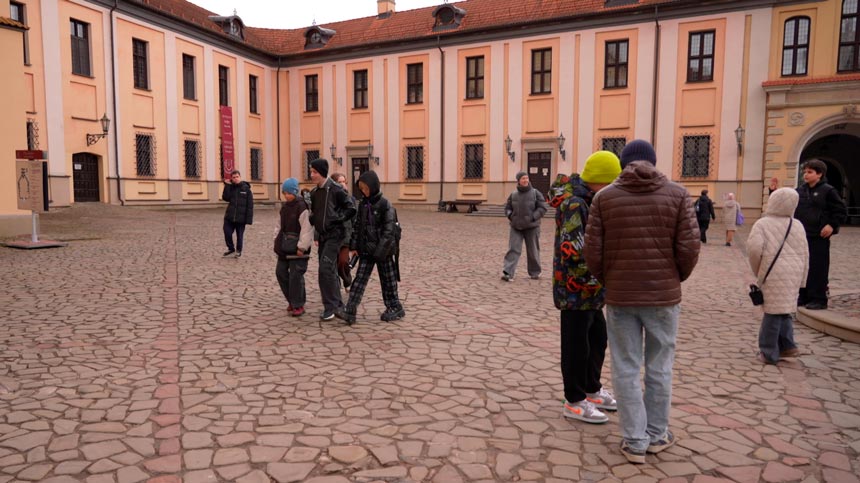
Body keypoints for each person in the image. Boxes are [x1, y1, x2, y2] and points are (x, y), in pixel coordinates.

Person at [584, 139, 700, 464]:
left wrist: (610, 280)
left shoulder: (604, 198)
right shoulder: (679, 194)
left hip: (621, 296)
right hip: (663, 297)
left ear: (623, 164)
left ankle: (635, 440)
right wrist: (673, 278)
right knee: (660, 367)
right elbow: (690, 247)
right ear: (653, 161)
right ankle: (657, 434)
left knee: (625, 367)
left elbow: (592, 251)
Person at [548, 151, 621, 425]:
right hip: (575, 289)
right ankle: (575, 400)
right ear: (601, 181)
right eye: (613, 182)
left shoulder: (590, 200)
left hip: (591, 291)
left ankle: (591, 389)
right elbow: (574, 250)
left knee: (597, 340)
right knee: (576, 347)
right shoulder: (575, 204)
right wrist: (602, 271)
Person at [747, 188, 808, 363]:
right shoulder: (797, 224)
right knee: (784, 309)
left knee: (772, 312)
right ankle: (788, 346)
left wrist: (758, 271)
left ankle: (768, 352)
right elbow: (806, 252)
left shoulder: (762, 224)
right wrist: (803, 277)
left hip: (773, 271)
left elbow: (754, 250)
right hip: (794, 271)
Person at [335, 170, 405, 325]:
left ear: (373, 187)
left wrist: (380, 252)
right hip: (366, 250)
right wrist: (354, 246)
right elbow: (358, 227)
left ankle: (395, 307)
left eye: (366, 188)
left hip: (383, 251)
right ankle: (350, 310)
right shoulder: (363, 205)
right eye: (361, 188)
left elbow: (389, 231)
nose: (364, 191)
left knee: (388, 280)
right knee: (359, 280)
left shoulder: (386, 205)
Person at [794, 159, 847, 310]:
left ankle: (818, 298)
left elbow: (840, 211)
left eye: (810, 172)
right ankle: (803, 296)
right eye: (805, 172)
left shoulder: (828, 191)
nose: (805, 175)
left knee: (818, 268)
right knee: (803, 267)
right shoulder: (800, 191)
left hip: (819, 236)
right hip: (802, 235)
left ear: (819, 174)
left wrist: (832, 225)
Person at [309, 159, 357, 321]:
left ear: (322, 172)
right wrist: (313, 219)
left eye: (315, 172)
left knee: (326, 268)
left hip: (336, 236)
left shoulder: (336, 189)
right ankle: (332, 306)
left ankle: (334, 306)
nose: (312, 175)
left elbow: (351, 208)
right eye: (311, 171)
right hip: (323, 236)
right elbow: (315, 214)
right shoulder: (315, 193)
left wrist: (338, 219)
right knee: (326, 271)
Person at [274, 178, 313, 317]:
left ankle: (298, 304)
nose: (286, 196)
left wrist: (302, 247)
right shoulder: (284, 208)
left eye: (289, 193)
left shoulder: (302, 207)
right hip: (284, 246)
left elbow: (307, 229)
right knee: (280, 272)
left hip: (298, 247)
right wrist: (276, 241)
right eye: (284, 193)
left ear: (295, 192)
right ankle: (291, 300)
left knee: (296, 276)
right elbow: (279, 226)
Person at [501, 171, 549, 281]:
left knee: (533, 250)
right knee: (513, 249)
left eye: (527, 178)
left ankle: (535, 272)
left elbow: (542, 208)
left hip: (532, 227)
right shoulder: (513, 194)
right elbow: (507, 208)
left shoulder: (535, 193)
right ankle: (508, 272)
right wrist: (510, 216)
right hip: (516, 226)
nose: (525, 180)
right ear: (518, 181)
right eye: (523, 178)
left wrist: (533, 217)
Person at [222, 169, 254, 258]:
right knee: (227, 232)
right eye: (234, 177)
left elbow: (250, 205)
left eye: (237, 177)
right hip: (230, 216)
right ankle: (231, 248)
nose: (236, 178)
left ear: (240, 177)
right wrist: (227, 185)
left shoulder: (246, 189)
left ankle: (238, 250)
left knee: (239, 235)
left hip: (241, 217)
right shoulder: (231, 187)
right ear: (231, 179)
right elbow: (225, 198)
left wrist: (248, 219)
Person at [331, 172, 355, 291]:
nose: (342, 184)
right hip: (332, 236)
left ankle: (347, 280)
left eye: (344, 182)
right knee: (332, 264)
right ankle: (335, 286)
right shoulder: (330, 198)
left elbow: (355, 219)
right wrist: (316, 236)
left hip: (346, 236)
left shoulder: (350, 199)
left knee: (343, 262)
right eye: (339, 182)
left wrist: (355, 238)